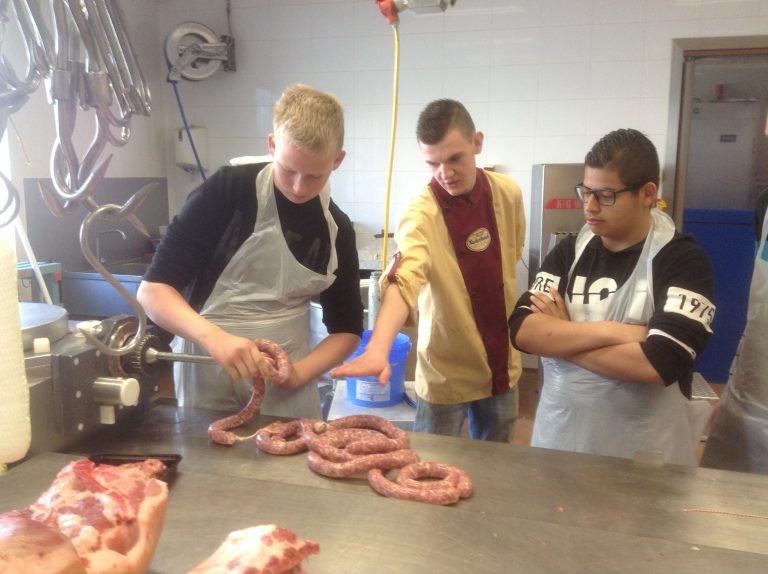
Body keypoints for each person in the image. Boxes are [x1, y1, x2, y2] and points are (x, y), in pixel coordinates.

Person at [138, 84, 363, 418]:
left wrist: (299, 373)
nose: (299, 187)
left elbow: (347, 330)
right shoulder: (227, 191)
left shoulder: (335, 229)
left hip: (285, 376)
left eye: (315, 175)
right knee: (209, 462)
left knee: (290, 469)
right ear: (272, 145)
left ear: (337, 160)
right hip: (207, 365)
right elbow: (153, 292)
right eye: (288, 169)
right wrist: (215, 339)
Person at [508, 128, 716, 466]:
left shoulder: (682, 262)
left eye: (605, 195)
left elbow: (659, 362)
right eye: (585, 192)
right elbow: (521, 330)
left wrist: (563, 337)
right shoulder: (569, 252)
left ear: (648, 193)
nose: (589, 207)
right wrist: (617, 332)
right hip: (560, 444)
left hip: (641, 459)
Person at [331, 99, 526, 442]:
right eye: (433, 163)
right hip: (445, 367)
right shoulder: (422, 214)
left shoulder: (507, 193)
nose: (445, 174)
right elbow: (403, 280)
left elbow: (510, 259)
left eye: (455, 159)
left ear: (476, 142)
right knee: (431, 461)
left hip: (502, 361)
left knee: (500, 465)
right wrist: (378, 348)